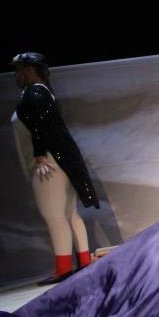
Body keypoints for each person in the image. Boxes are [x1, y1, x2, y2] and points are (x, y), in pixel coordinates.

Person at [9, 52, 100, 285]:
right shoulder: (42, 93)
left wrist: (39, 154)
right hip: (56, 159)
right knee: (68, 214)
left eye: (19, 70)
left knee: (55, 216)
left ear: (29, 70)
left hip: (47, 162)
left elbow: (38, 124)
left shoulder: (34, 94)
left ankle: (64, 269)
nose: (17, 75)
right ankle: (83, 262)